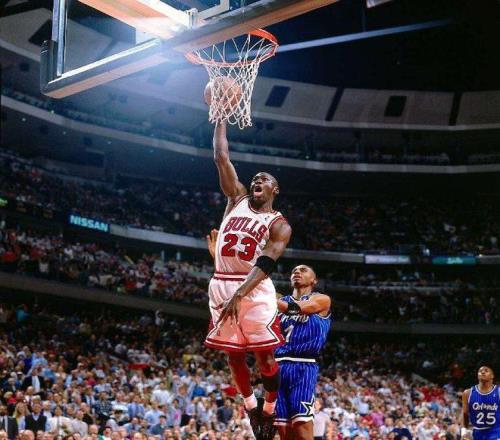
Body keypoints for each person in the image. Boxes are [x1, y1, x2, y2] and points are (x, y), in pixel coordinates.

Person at [206, 121, 292, 440]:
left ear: (274, 190)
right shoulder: (237, 198)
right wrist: (220, 116)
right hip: (222, 282)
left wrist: (241, 293)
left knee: (265, 356)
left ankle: (269, 408)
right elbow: (221, 157)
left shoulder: (279, 224)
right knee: (233, 354)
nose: (257, 180)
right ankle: (251, 407)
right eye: (255, 177)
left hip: (253, 287)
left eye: (265, 179)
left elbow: (266, 263)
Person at [274, 265, 331, 440]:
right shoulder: (279, 301)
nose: (297, 272)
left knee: (302, 427)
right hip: (277, 366)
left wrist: (266, 298)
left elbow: (296, 308)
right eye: (294, 271)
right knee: (283, 430)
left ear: (314, 280)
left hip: (303, 365)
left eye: (303, 270)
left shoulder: (322, 299)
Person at [462, 365, 500, 440]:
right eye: (480, 371)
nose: (482, 372)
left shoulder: (498, 392)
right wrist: (464, 432)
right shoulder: (468, 393)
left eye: (486, 370)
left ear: (492, 376)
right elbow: (465, 414)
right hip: (477, 433)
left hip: (496, 432)